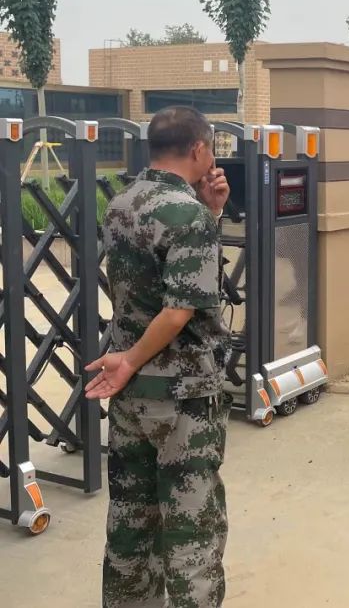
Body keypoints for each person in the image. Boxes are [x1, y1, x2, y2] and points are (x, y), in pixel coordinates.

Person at [85, 106, 231, 607]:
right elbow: (178, 310)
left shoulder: (121, 203)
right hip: (181, 395)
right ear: (198, 149)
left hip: (131, 394)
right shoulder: (187, 215)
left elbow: (149, 281)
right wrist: (129, 359)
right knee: (191, 526)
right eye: (211, 148)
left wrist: (211, 212)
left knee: (132, 519)